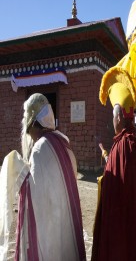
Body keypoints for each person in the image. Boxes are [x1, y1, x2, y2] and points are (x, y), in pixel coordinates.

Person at [0, 93, 86, 261]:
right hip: (65, 220)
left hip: (50, 227)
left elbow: (35, 197)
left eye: (28, 126)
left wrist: (16, 167)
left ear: (33, 123)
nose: (28, 132)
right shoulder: (64, 143)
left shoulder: (40, 149)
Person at [91, 67, 136, 261]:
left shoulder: (124, 145)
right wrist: (106, 156)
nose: (112, 121)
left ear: (119, 116)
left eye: (113, 116)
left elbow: (118, 189)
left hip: (122, 229)